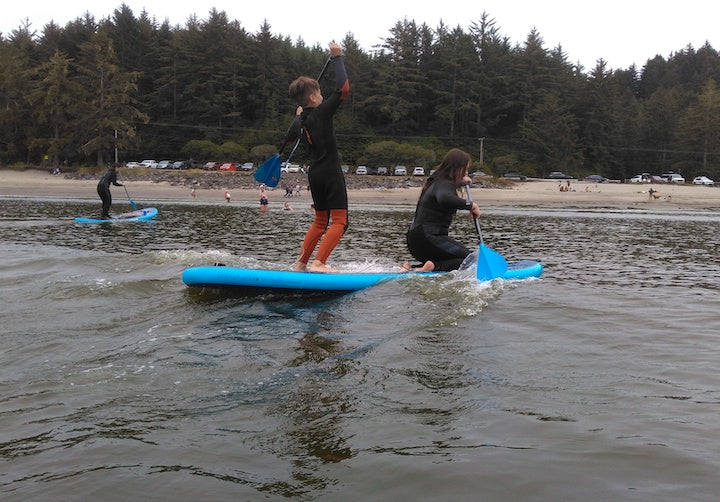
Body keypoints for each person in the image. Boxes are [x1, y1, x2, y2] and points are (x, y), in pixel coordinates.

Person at [288, 42, 350, 273]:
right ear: (313, 97)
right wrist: (337, 58)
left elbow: (288, 137)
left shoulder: (300, 121)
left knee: (320, 221)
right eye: (320, 93)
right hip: (330, 172)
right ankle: (319, 263)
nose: (323, 96)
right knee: (340, 222)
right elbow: (342, 89)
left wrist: (299, 116)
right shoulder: (321, 112)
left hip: (314, 174)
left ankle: (301, 263)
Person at [404, 148, 482, 272]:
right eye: (465, 169)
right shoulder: (444, 184)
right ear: (457, 168)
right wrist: (471, 205)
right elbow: (445, 198)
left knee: (465, 260)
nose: (466, 173)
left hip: (416, 240)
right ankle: (434, 267)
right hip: (428, 238)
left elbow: (444, 192)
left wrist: (460, 182)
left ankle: (414, 268)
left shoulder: (437, 180)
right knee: (471, 260)